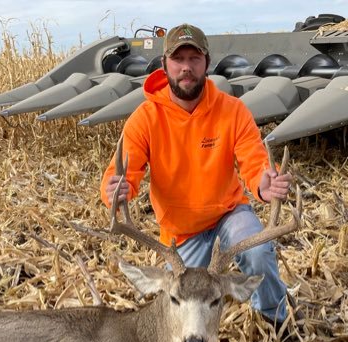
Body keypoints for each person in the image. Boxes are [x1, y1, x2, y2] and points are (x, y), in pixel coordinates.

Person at [100, 23, 292, 324]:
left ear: (207, 63)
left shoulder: (232, 111)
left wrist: (264, 183)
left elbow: (255, 162)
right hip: (181, 234)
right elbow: (123, 172)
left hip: (229, 215)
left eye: (194, 59)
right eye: (178, 59)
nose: (186, 68)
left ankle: (276, 321)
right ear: (164, 65)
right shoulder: (145, 120)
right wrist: (115, 190)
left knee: (258, 251)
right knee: (179, 311)